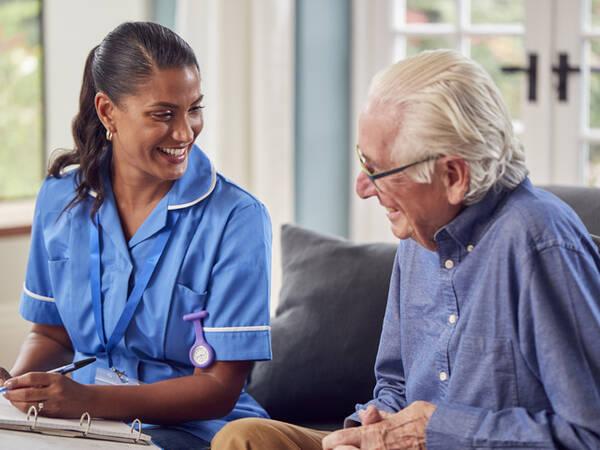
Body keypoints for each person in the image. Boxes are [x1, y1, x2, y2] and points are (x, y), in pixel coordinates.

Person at [212, 49, 600, 449]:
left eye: (379, 170)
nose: (363, 187)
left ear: (452, 175)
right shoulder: (420, 232)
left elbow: (589, 434)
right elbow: (394, 384)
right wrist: (367, 429)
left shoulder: (538, 242)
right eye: (363, 161)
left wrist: (438, 432)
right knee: (246, 438)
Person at [0, 21, 273, 449]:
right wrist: (17, 388)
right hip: (81, 424)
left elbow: (219, 388)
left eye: (194, 109)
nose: (185, 132)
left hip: (191, 431)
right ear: (108, 111)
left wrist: (88, 399)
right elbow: (52, 334)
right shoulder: (58, 200)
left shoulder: (237, 219)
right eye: (163, 114)